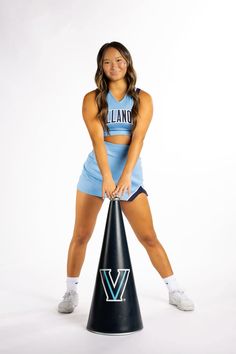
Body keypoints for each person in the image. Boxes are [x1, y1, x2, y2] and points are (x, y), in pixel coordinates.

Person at [58, 41, 194, 314]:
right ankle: (71, 292)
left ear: (128, 62)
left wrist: (126, 177)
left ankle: (174, 289)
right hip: (97, 171)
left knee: (148, 236)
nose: (114, 66)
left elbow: (138, 140)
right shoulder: (92, 98)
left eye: (119, 60)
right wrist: (107, 178)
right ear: (100, 67)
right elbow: (98, 142)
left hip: (129, 170)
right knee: (81, 235)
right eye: (107, 62)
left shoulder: (143, 98)